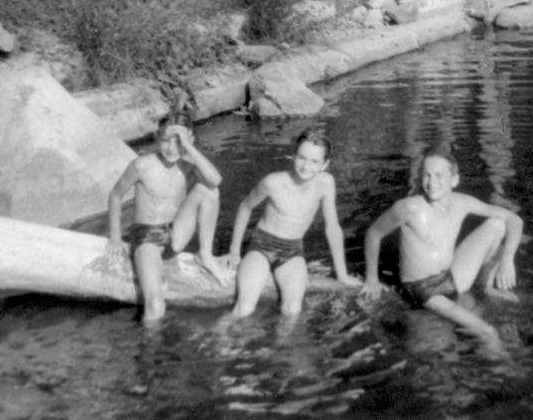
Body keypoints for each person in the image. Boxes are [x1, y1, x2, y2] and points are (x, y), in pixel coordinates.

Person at [359, 143, 523, 345]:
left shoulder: (462, 202)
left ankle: (486, 286)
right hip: (423, 289)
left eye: (439, 176)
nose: (431, 182)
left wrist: (508, 259)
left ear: (454, 180)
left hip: (450, 277)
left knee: (497, 224)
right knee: (487, 331)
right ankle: (507, 371)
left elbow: (514, 220)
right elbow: (374, 233)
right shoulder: (408, 208)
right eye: (427, 175)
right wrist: (372, 279)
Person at [106, 110, 228, 324]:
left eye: (178, 142)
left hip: (176, 233)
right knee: (155, 305)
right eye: (165, 141)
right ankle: (149, 351)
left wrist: (188, 148)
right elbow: (116, 196)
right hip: (147, 236)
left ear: (189, 141)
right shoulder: (142, 165)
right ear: (157, 138)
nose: (171, 148)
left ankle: (205, 254)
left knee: (209, 190)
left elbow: (215, 180)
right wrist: (115, 237)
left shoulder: (188, 166)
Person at [226, 130, 361, 318]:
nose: (306, 166)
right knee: (245, 307)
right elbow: (245, 207)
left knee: (293, 310)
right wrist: (234, 251)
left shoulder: (326, 184)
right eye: (301, 158)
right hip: (261, 247)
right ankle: (220, 344)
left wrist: (342, 275)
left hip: (293, 251)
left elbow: (332, 227)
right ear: (293, 156)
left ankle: (279, 347)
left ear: (325, 165)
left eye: (314, 161)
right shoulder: (273, 182)